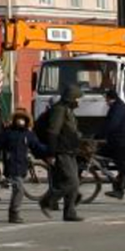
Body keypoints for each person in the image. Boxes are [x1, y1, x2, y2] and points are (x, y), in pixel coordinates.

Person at [38, 84, 84, 222]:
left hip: (70, 150)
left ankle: (69, 212)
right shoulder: (59, 110)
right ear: (72, 98)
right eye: (78, 98)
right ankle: (47, 200)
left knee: (74, 183)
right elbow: (53, 132)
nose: (80, 101)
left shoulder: (68, 110)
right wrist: (51, 153)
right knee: (71, 181)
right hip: (61, 150)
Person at [0, 108, 43, 223]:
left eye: (23, 119)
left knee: (17, 190)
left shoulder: (28, 134)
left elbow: (37, 146)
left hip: (22, 165)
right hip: (11, 164)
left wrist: (48, 152)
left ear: (26, 120)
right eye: (18, 118)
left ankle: (12, 214)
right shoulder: (7, 133)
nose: (20, 121)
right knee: (19, 189)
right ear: (14, 119)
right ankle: (14, 213)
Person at [100, 88, 125, 198]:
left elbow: (112, 124)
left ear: (110, 98)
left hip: (120, 142)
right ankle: (117, 183)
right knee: (114, 162)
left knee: (121, 166)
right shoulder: (117, 106)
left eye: (106, 99)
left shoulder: (118, 108)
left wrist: (101, 135)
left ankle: (119, 189)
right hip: (117, 140)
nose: (105, 102)